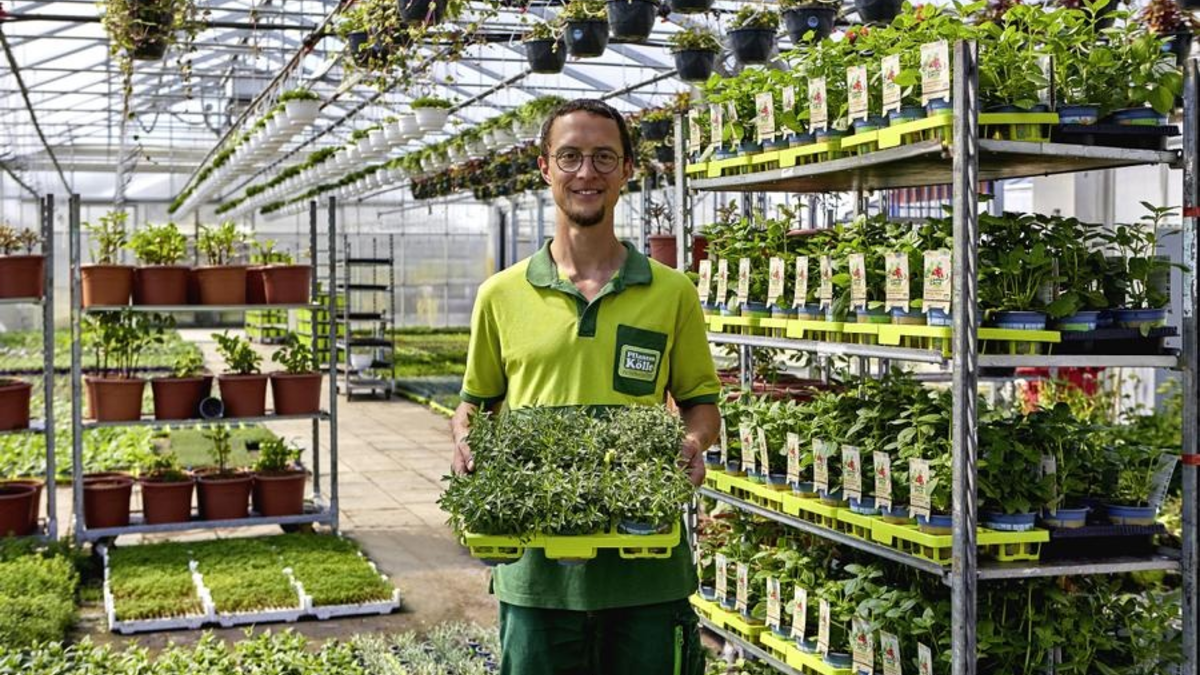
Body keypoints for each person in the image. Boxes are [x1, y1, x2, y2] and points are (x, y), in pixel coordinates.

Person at [449, 99, 722, 675]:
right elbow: (475, 404)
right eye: (570, 156)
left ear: (627, 170)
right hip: (537, 577)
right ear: (545, 168)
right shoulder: (500, 295)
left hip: (645, 565)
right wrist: (466, 438)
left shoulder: (671, 292)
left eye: (603, 157)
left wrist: (694, 444)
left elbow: (701, 403)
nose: (586, 173)